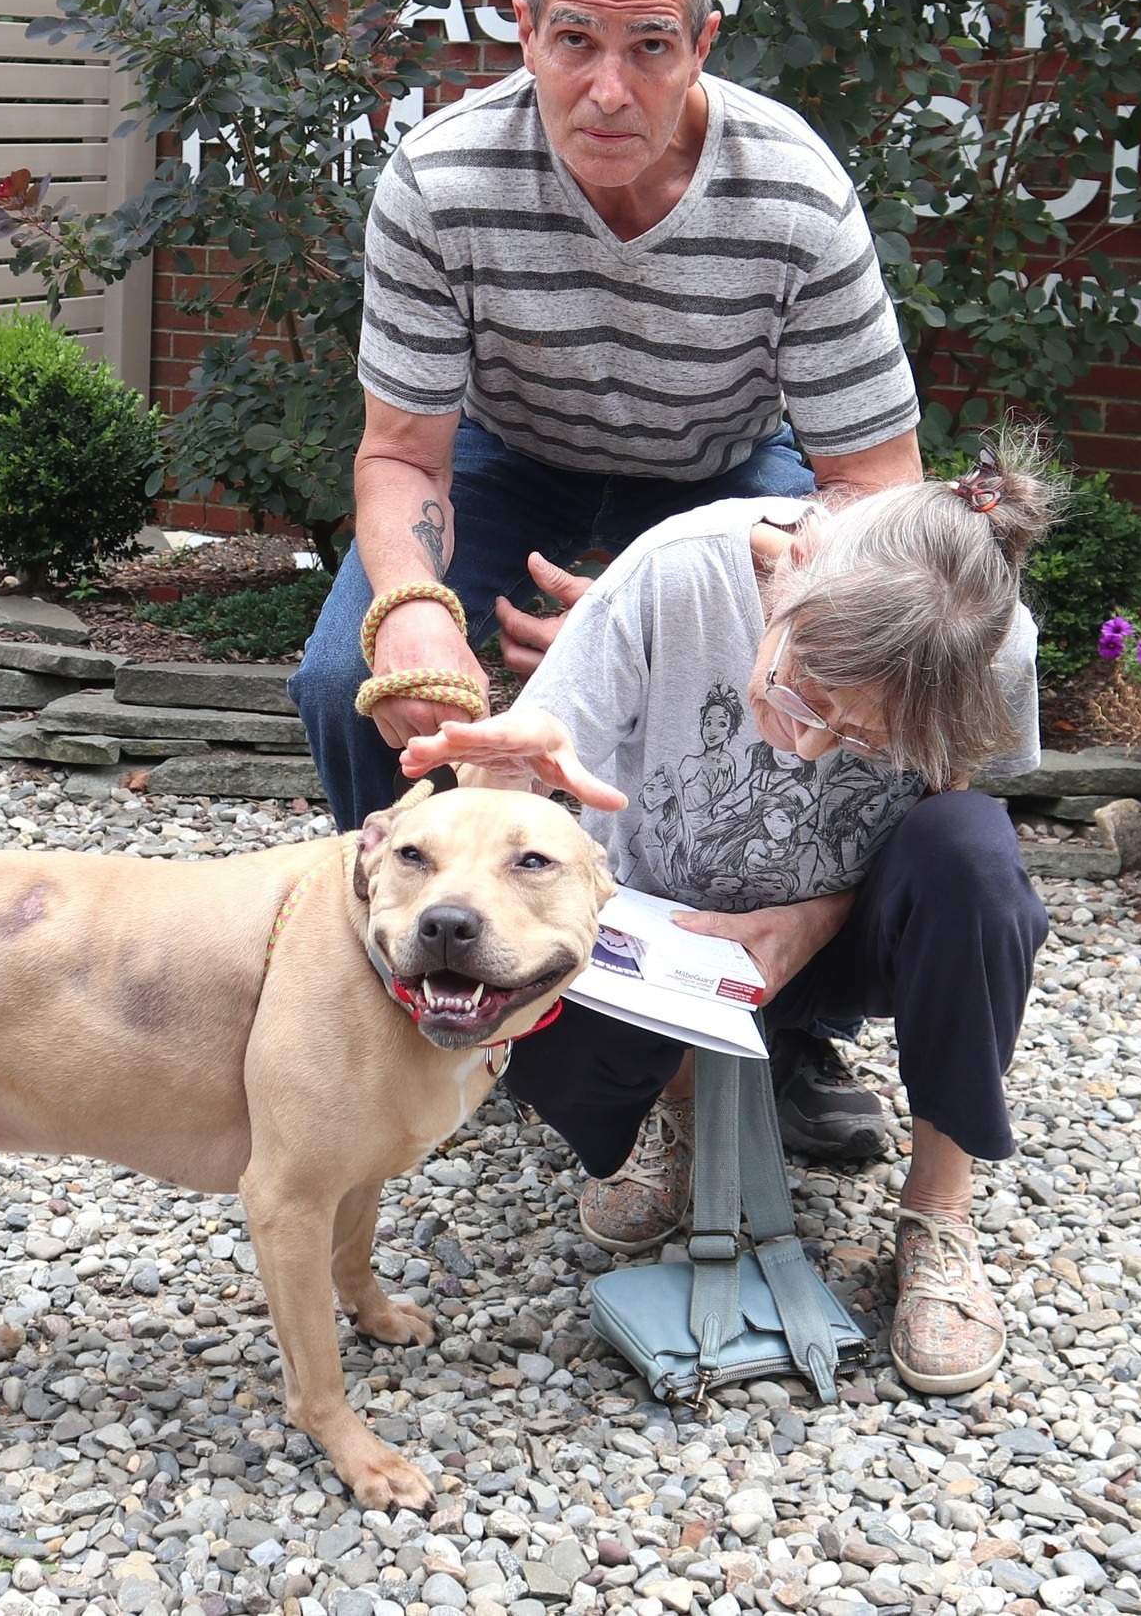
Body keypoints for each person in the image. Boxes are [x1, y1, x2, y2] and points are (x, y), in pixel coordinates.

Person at [289, 0, 926, 1157]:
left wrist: (665, 604)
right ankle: (425, 989)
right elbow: (401, 453)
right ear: (523, 36)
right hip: (508, 456)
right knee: (334, 677)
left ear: (701, 46)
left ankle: (774, 1026)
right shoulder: (440, 177)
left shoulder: (793, 190)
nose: (607, 88)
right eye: (573, 41)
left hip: (723, 475)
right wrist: (415, 620)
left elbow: (879, 493)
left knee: (819, 688)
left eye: (649, 47)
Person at [398, 439, 1056, 1395]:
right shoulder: (674, 570)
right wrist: (510, 770)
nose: (805, 740)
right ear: (790, 572)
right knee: (541, 1027)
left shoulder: (995, 643)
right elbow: (529, 786)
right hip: (661, 932)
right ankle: (679, 1107)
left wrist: (816, 920)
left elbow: (957, 800)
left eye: (863, 737)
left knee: (975, 857)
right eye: (801, 691)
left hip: (841, 936)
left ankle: (939, 1210)